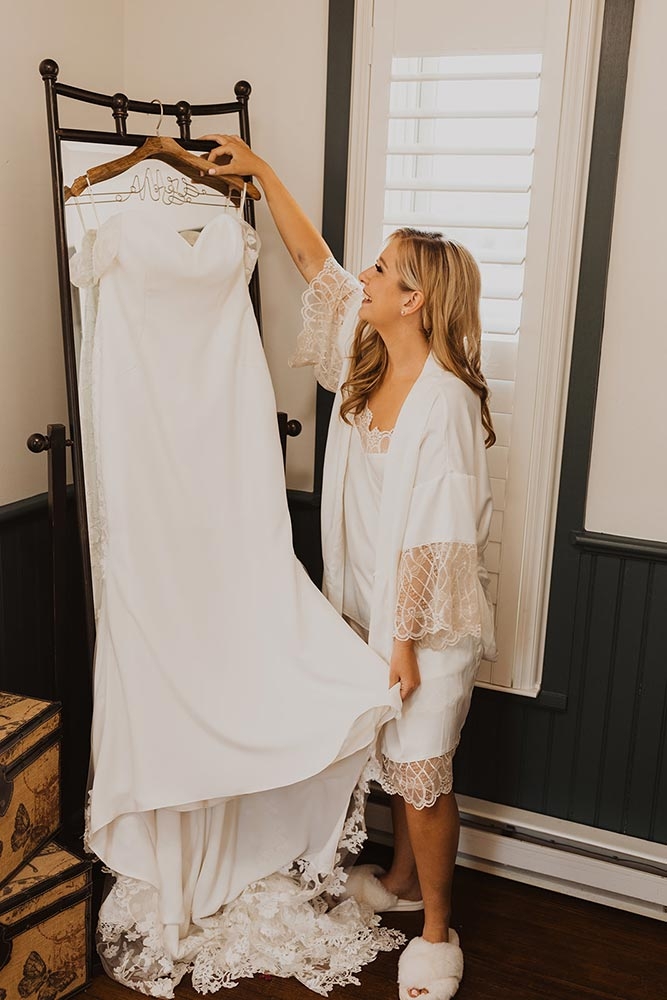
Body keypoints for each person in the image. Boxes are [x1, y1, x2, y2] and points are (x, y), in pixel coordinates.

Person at [202, 135, 497, 1000]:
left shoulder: (443, 399)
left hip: (427, 626)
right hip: (370, 610)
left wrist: (400, 642)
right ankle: (402, 888)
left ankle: (437, 935)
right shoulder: (367, 369)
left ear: (414, 300)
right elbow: (314, 265)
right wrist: (260, 172)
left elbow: (435, 539)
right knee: (398, 764)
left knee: (421, 772)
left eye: (382, 270)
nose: (363, 278)